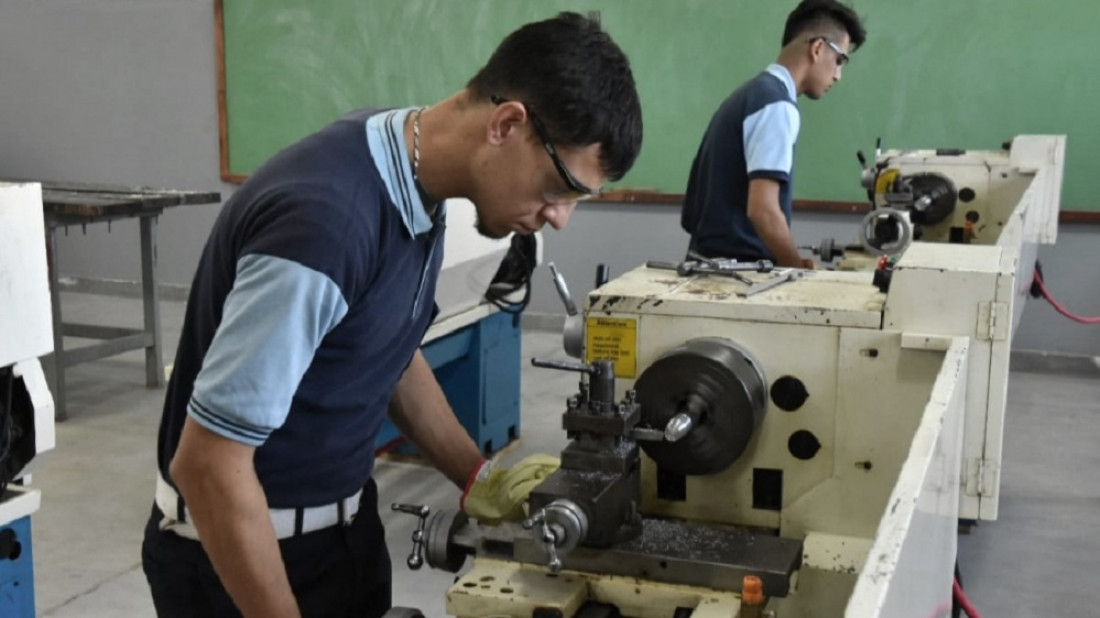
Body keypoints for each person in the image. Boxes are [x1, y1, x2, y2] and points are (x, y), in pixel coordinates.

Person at [141, 12, 642, 618]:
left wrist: (479, 479)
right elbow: (210, 465)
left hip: (342, 536)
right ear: (507, 124)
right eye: (561, 188)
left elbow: (387, 351)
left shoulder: (412, 176)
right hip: (240, 564)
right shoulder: (325, 224)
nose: (560, 217)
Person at [680, 0, 866, 267]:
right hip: (738, 277)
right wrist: (795, 267)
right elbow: (763, 210)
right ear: (818, 48)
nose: (838, 76)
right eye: (839, 61)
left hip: (708, 265)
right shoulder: (776, 105)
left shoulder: (750, 95)